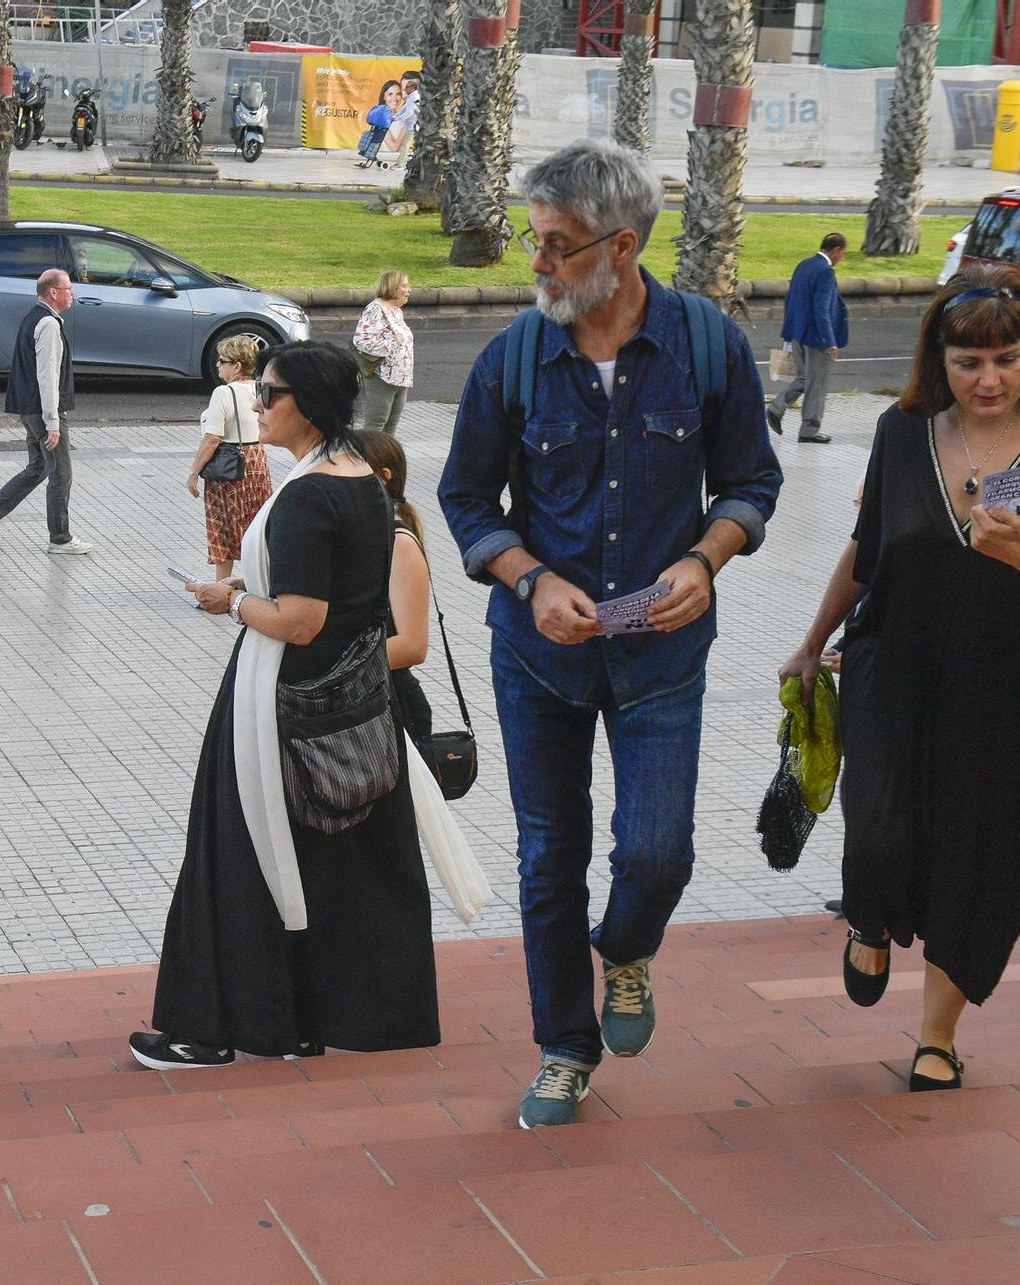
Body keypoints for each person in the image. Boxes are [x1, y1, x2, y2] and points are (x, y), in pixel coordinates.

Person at [437, 138, 783, 1128]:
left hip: (661, 655)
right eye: (532, 239)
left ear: (620, 247)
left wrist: (702, 559)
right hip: (537, 656)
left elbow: (751, 482)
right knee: (548, 857)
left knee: (656, 853)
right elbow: (465, 496)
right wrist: (529, 576)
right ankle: (562, 1045)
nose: (535, 263)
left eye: (555, 246)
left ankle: (625, 947)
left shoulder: (703, 347)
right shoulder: (514, 356)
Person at [777, 265, 1020, 1093]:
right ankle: (871, 918)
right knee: (881, 822)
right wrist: (811, 640)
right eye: (969, 362)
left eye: (1006, 358)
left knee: (984, 854)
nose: (988, 379)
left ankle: (936, 1037)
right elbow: (866, 547)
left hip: (1008, 687)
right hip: (895, 665)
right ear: (940, 358)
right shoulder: (903, 431)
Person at [132, 342, 442, 1070]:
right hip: (347, 701)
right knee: (320, 862)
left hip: (276, 702)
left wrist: (232, 598)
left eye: (270, 394)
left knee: (235, 857)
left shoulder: (311, 493)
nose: (258, 404)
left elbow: (300, 619)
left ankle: (208, 1029)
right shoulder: (363, 478)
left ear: (311, 403)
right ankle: (299, 1020)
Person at [0, 268, 95, 555]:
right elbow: (47, 375)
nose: (72, 293)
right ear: (53, 292)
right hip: (43, 411)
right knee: (61, 473)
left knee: (38, 468)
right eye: (68, 288)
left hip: (30, 409)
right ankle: (60, 538)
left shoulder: (32, 318)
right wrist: (52, 421)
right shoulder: (49, 324)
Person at [355, 429, 434, 750]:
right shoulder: (368, 533)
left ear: (383, 476)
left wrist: (338, 667)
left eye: (352, 468)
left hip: (395, 707)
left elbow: (413, 646)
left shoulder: (399, 542)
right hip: (369, 700)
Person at [187, 332, 271, 583]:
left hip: (229, 465)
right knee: (254, 525)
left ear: (236, 366)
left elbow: (212, 438)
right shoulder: (259, 388)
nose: (217, 365)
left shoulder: (223, 393)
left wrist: (194, 473)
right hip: (257, 460)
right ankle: (254, 583)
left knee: (222, 528)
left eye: (222, 361)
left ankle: (221, 586)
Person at [768, 232, 849, 445]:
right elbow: (821, 308)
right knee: (817, 383)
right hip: (816, 337)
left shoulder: (803, 265)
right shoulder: (825, 272)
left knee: (804, 378)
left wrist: (789, 331)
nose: (842, 258)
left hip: (798, 332)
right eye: (843, 254)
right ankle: (809, 430)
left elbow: (791, 300)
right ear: (837, 250)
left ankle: (777, 407)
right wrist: (830, 340)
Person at [353, 269, 416, 435]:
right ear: (392, 287)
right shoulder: (375, 309)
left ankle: (386, 460)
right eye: (404, 285)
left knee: (391, 426)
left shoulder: (395, 310)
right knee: (376, 425)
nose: (409, 289)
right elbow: (361, 340)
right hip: (382, 377)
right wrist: (392, 344)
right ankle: (369, 460)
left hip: (401, 378)